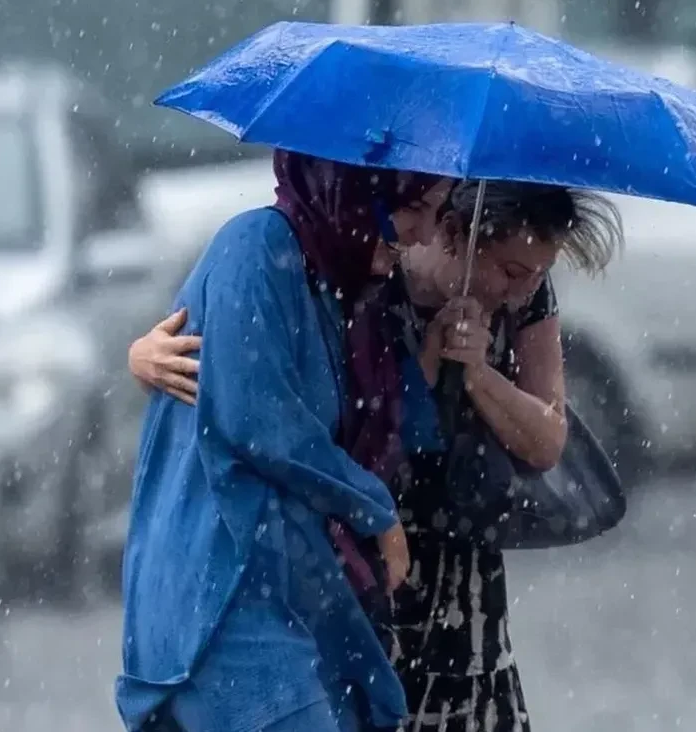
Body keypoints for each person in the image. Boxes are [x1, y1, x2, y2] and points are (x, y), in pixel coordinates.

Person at [128, 180, 622, 731]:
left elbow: (547, 440)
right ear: (456, 234)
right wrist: (142, 358)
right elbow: (264, 384)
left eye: (538, 274)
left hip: (458, 556)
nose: (523, 291)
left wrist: (480, 376)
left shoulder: (525, 295)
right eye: (510, 272)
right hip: (362, 546)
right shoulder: (373, 260)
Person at [116, 149, 455, 732]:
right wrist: (372, 508)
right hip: (222, 601)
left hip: (292, 596)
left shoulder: (341, 284)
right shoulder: (256, 248)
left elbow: (384, 422)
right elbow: (260, 420)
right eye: (416, 209)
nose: (423, 234)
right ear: (357, 192)